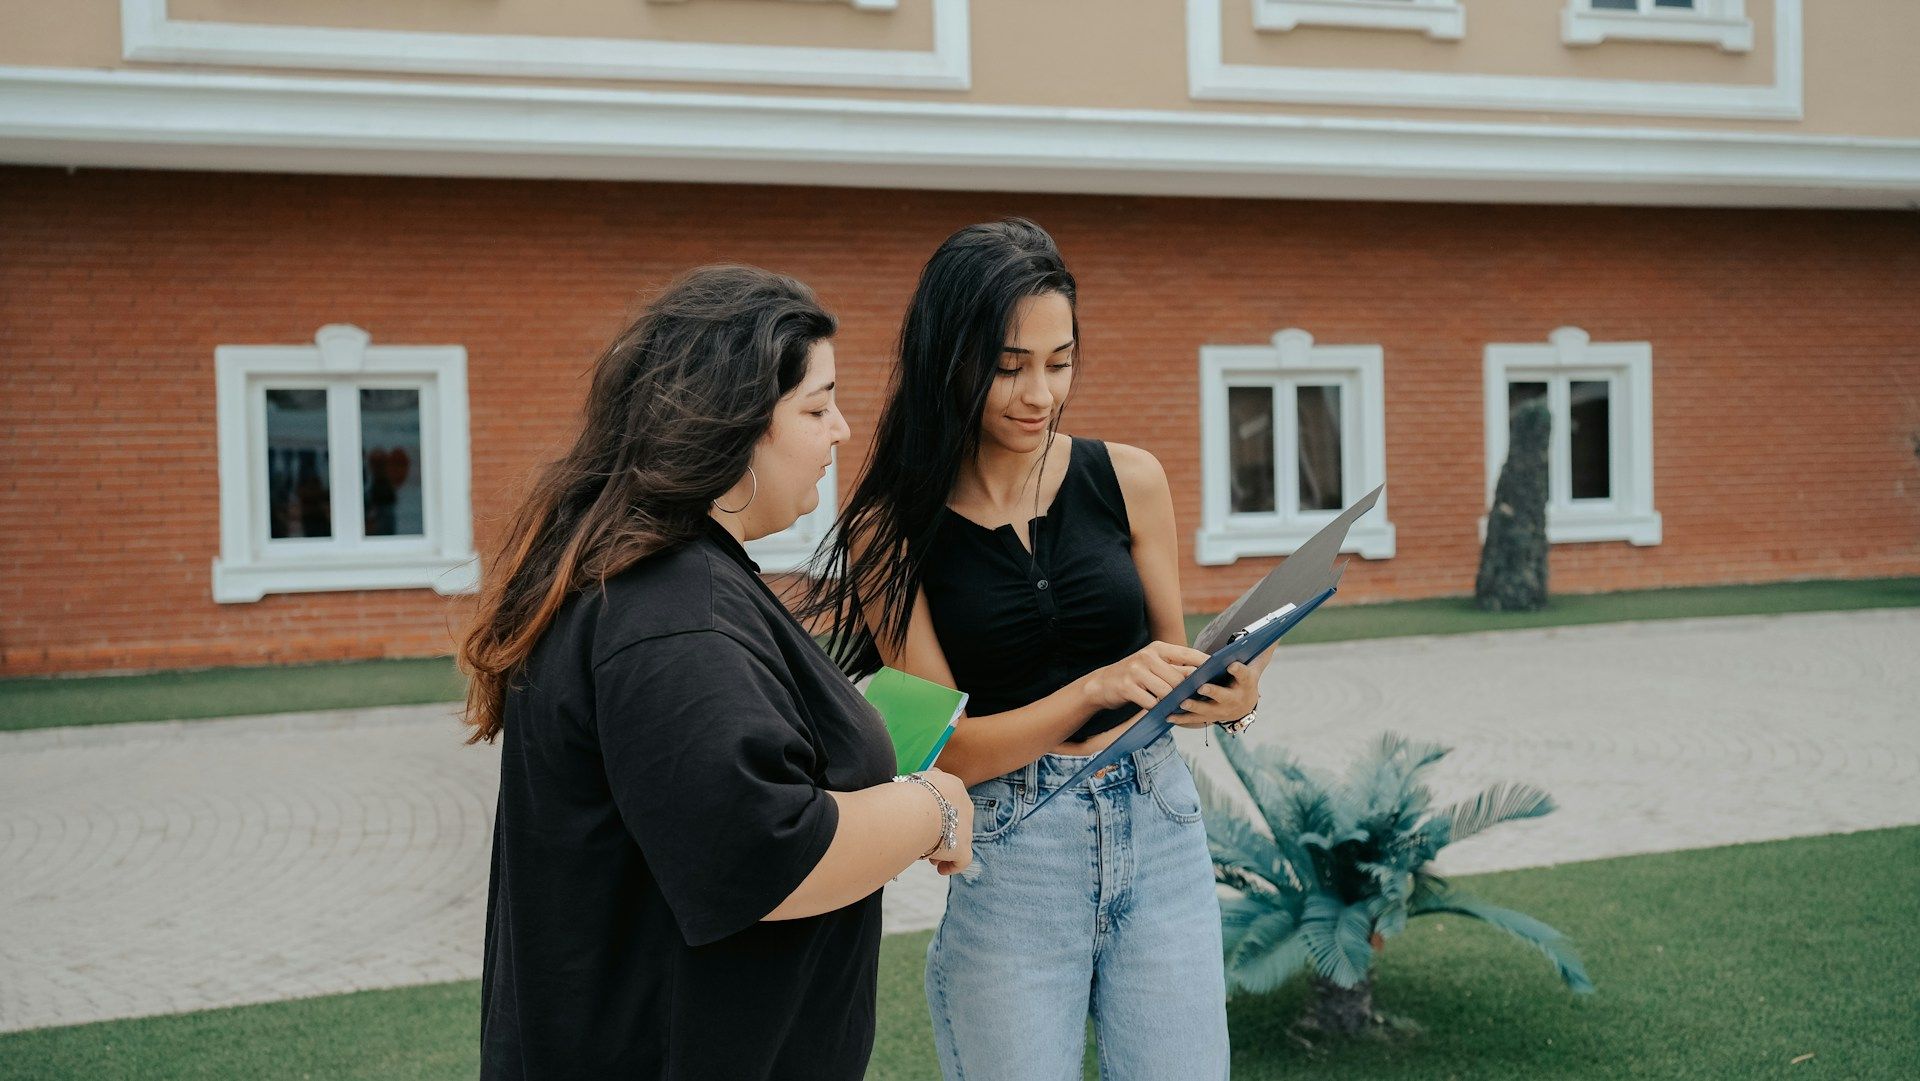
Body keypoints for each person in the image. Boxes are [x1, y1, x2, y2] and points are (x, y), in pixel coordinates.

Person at [459, 265, 972, 1081]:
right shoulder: (671, 609)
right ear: (733, 425)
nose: (842, 429)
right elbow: (766, 856)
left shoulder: (671, 579)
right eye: (816, 406)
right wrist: (935, 804)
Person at [805, 220, 1272, 1080]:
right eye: (1010, 365)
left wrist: (1232, 694)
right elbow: (949, 752)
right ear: (951, 359)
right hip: (1014, 850)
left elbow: (1169, 667)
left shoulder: (1131, 478)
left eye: (1059, 362)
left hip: (1162, 823)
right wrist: (1097, 684)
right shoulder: (891, 535)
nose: (1039, 393)